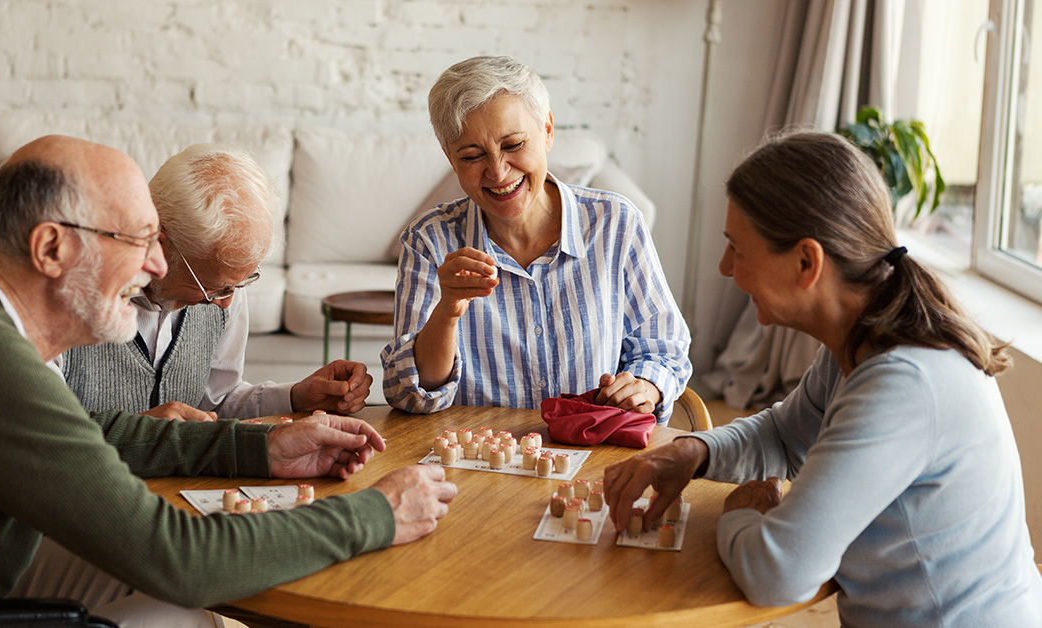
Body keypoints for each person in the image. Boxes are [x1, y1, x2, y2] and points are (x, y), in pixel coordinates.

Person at [0, 135, 457, 626]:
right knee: (180, 602)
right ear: (51, 248)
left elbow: (83, 430)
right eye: (137, 239)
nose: (156, 266)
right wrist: (375, 513)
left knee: (179, 613)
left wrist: (258, 445)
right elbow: (177, 557)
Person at [603, 132, 1042, 626]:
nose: (726, 269)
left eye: (737, 249)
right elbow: (784, 437)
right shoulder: (860, 341)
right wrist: (694, 451)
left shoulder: (903, 384)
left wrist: (739, 515)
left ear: (807, 262)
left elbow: (779, 573)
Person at [382, 55, 691, 421]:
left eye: (512, 145)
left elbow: (663, 350)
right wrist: (447, 311)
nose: (497, 172)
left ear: (547, 130)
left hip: (591, 455)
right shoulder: (429, 240)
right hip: (478, 465)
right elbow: (409, 393)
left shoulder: (616, 223)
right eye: (472, 155)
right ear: (451, 158)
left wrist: (644, 385)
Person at [58, 143, 371, 423]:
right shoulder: (66, 294)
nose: (225, 302)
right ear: (159, 242)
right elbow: (34, 431)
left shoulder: (227, 284)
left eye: (240, 283)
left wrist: (296, 397)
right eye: (213, 286)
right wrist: (140, 429)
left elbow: (217, 401)